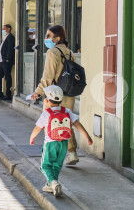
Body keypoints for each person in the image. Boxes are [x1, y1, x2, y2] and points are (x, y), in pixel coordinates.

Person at [29, 85, 93, 197]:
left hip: (50, 144)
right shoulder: (67, 111)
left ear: (47, 100)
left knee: (45, 166)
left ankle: (53, 182)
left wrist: (32, 137)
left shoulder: (46, 113)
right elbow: (77, 124)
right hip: (64, 144)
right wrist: (87, 136)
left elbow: (37, 128)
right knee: (57, 165)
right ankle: (51, 185)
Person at [30, 25, 80, 165]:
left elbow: (48, 76)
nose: (46, 38)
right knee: (66, 122)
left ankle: (52, 156)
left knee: (50, 123)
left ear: (57, 38)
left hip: (54, 95)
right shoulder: (70, 53)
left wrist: (38, 92)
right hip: (69, 93)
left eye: (48, 36)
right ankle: (72, 152)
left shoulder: (53, 52)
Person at [0, 24, 16, 102]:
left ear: (9, 29)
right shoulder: (4, 37)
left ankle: (8, 94)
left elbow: (10, 49)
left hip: (5, 61)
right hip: (0, 61)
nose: (3, 30)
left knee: (7, 77)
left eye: (4, 29)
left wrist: (7, 59)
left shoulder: (10, 37)